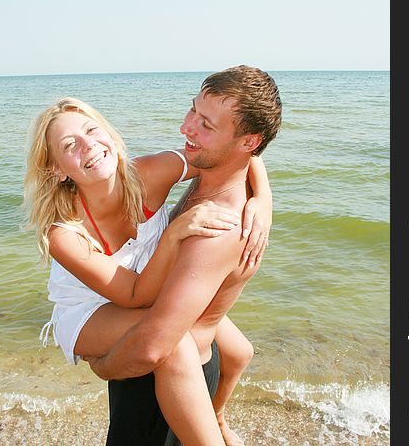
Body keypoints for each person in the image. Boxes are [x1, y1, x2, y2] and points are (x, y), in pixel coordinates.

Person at [24, 94, 273, 446]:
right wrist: (174, 234)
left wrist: (263, 200)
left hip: (147, 284)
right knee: (178, 347)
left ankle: (216, 417)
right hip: (93, 310)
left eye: (92, 131)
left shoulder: (151, 172)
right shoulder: (65, 234)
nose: (89, 146)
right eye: (70, 145)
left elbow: (229, 153)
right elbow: (134, 295)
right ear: (56, 168)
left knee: (239, 352)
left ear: (109, 134)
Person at [86, 65, 282, 446]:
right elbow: (250, 157)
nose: (187, 127)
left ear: (248, 141)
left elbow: (154, 345)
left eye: (206, 124)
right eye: (193, 110)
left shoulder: (218, 229)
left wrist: (104, 366)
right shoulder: (212, 167)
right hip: (172, 371)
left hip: (166, 383)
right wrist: (264, 196)